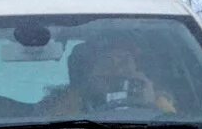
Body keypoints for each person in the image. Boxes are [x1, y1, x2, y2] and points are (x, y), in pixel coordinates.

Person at [43, 33, 178, 117]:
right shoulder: (69, 101)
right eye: (107, 63)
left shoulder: (158, 98)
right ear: (89, 72)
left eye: (124, 62)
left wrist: (151, 102)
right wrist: (84, 97)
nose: (117, 71)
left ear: (137, 67)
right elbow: (58, 127)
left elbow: (175, 128)